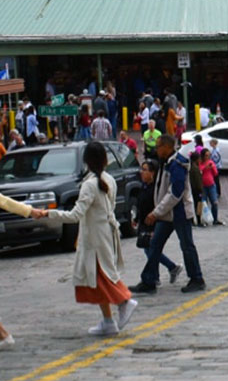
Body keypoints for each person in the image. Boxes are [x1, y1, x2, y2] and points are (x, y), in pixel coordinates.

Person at [31, 141, 138, 336]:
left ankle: (124, 301)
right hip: (103, 234)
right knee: (96, 279)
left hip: (95, 239)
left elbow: (75, 215)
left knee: (102, 277)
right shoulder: (108, 180)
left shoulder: (90, 184)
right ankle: (108, 321)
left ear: (86, 161)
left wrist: (48, 214)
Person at [129, 134, 206, 294]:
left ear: (167, 147)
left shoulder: (176, 164)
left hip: (179, 213)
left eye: (159, 146)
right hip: (167, 213)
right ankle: (149, 280)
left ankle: (196, 278)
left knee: (186, 246)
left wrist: (156, 212)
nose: (156, 150)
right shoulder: (167, 163)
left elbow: (175, 193)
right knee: (155, 245)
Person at [137, 160, 183, 286]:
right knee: (150, 249)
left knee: (152, 249)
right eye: (142, 169)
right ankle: (158, 274)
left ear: (152, 173)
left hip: (153, 221)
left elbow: (156, 205)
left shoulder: (155, 190)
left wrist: (153, 219)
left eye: (145, 170)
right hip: (144, 222)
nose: (142, 173)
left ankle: (169, 268)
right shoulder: (144, 186)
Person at [200, 148, 223, 225]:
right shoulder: (200, 163)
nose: (208, 157)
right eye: (206, 155)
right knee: (203, 203)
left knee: (214, 202)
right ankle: (203, 219)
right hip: (203, 186)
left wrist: (212, 167)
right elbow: (199, 172)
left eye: (209, 155)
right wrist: (204, 168)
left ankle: (215, 219)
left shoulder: (211, 162)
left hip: (211, 185)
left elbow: (215, 173)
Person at [190, 152, 204, 227]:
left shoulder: (191, 167)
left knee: (193, 205)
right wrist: (201, 190)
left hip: (192, 189)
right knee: (198, 205)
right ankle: (198, 220)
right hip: (196, 190)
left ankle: (192, 220)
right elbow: (198, 181)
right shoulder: (195, 169)